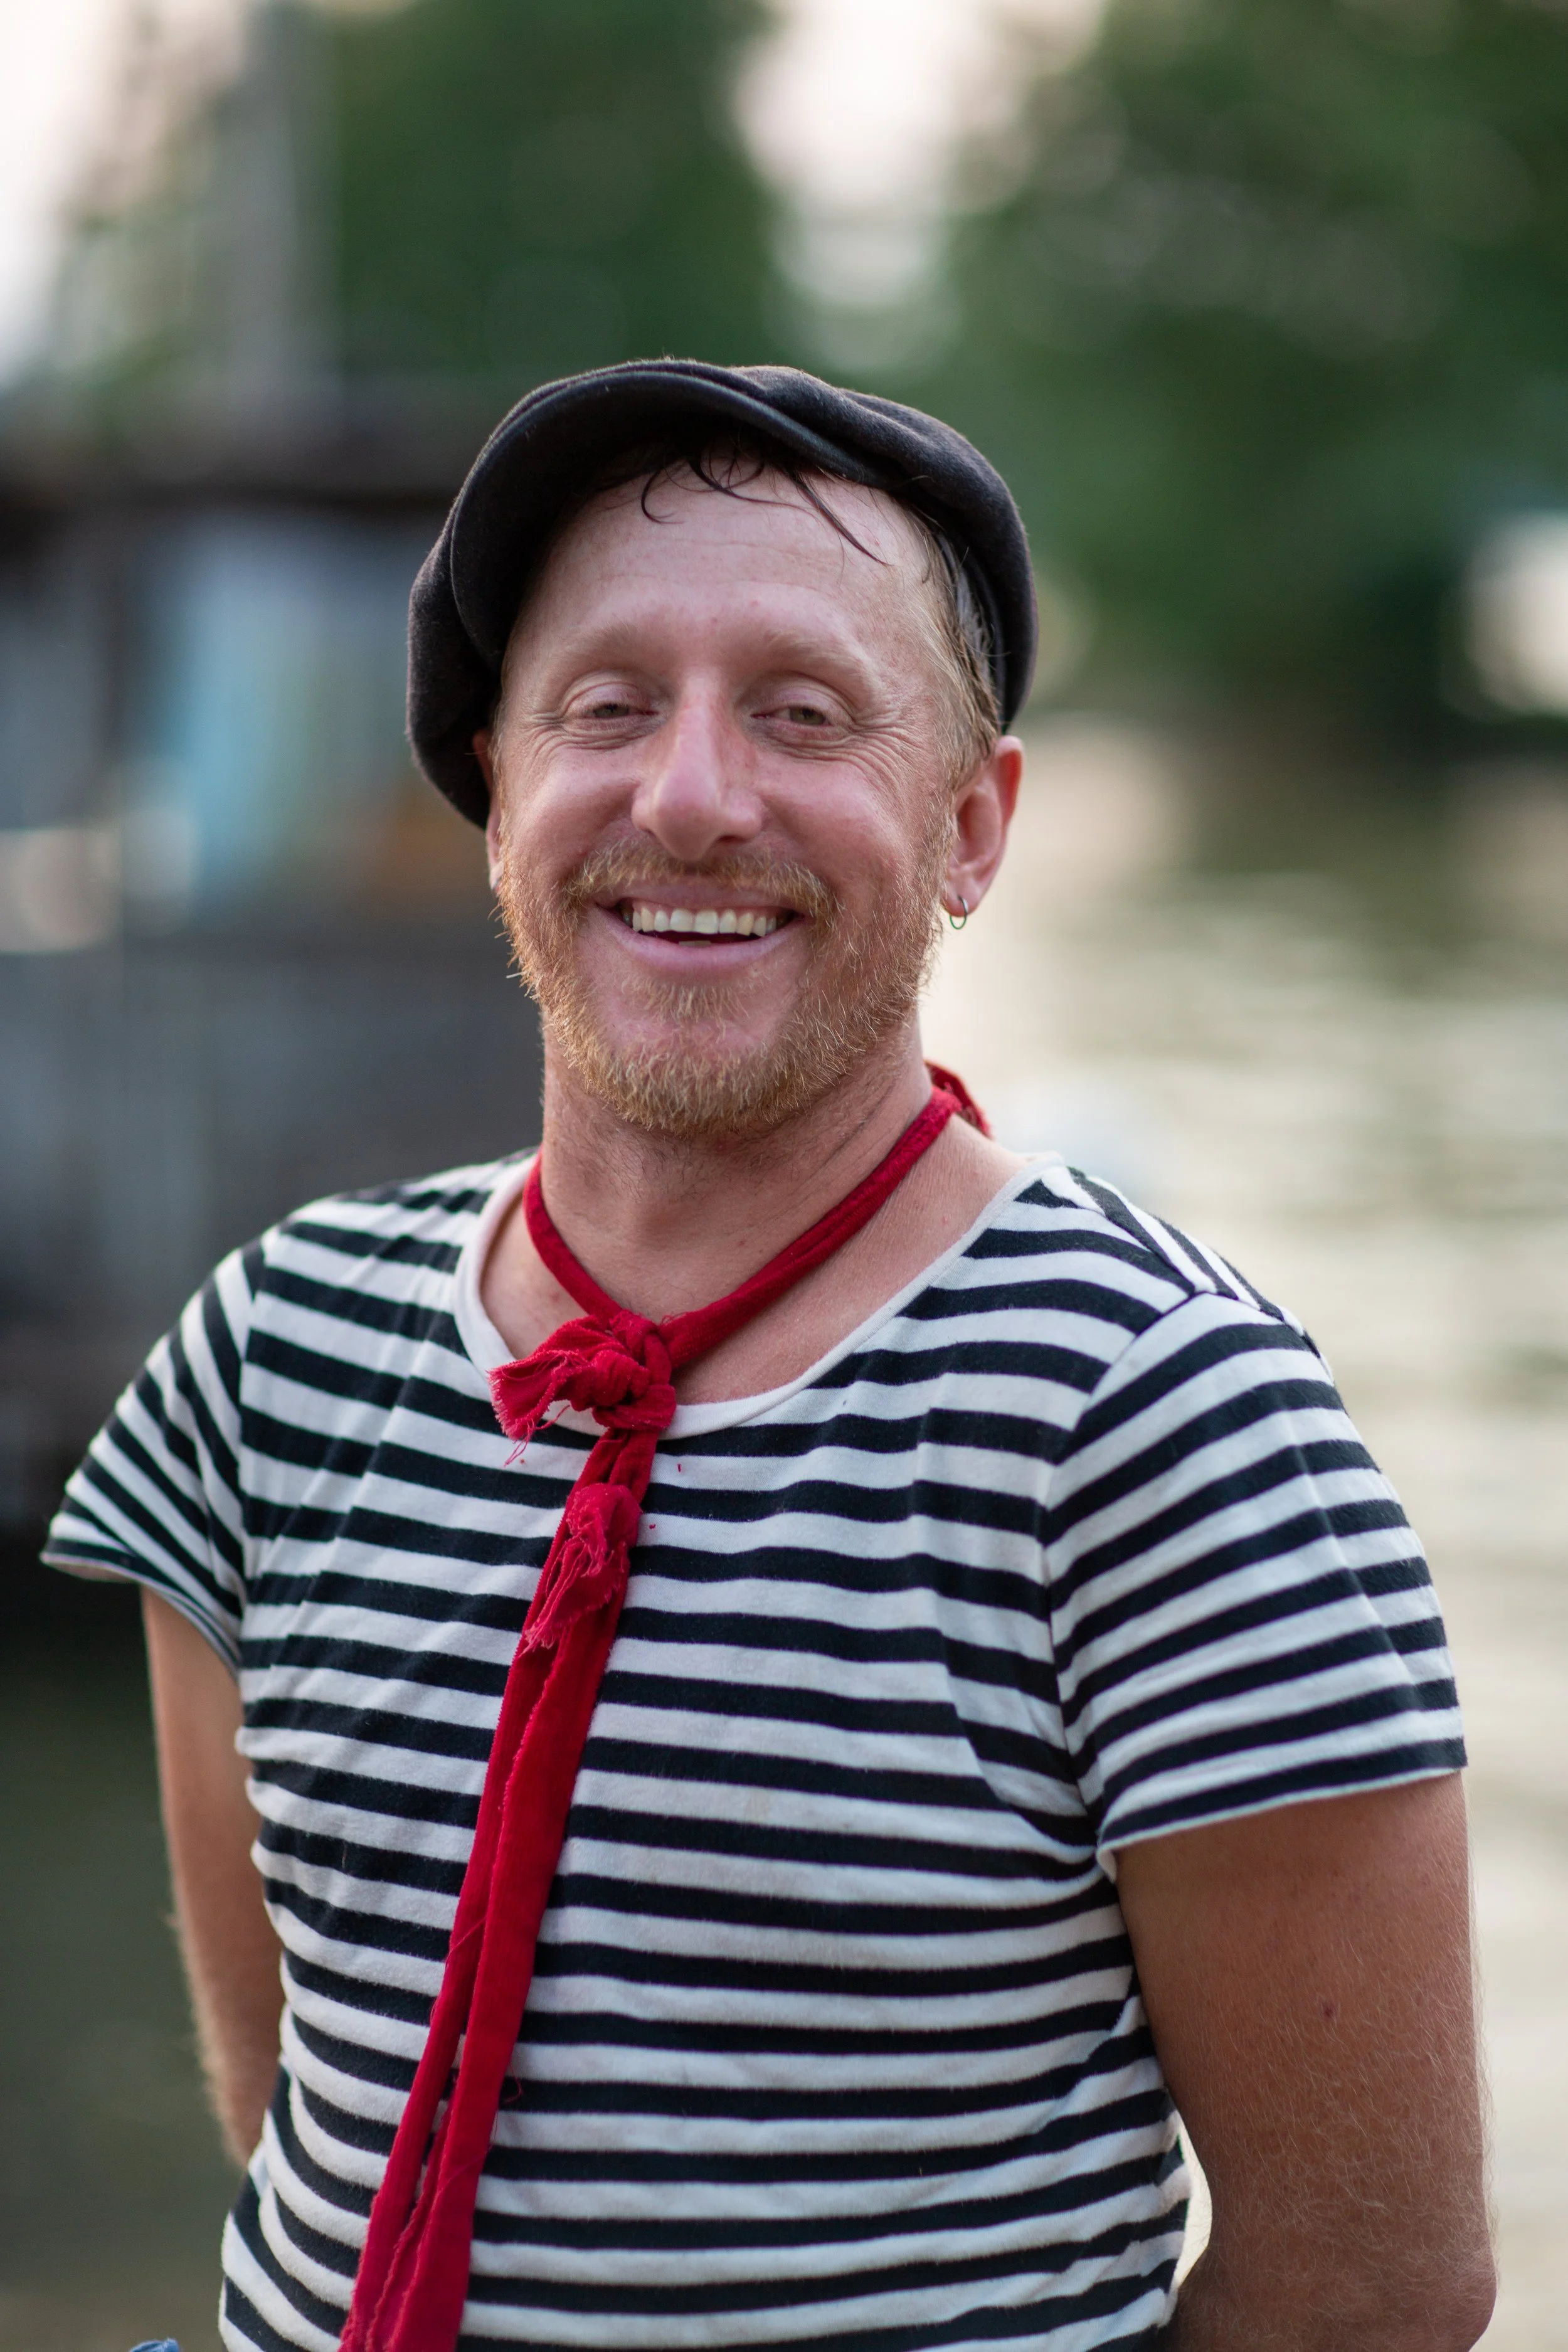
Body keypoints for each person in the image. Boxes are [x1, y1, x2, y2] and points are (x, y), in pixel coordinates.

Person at [48, 361, 1493, 2352]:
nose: (693, 794)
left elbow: (1369, 2292)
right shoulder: (271, 1354)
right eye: (607, 706)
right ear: (490, 790)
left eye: (803, 715)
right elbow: (313, 2106)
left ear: (973, 823)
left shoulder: (1165, 1423)